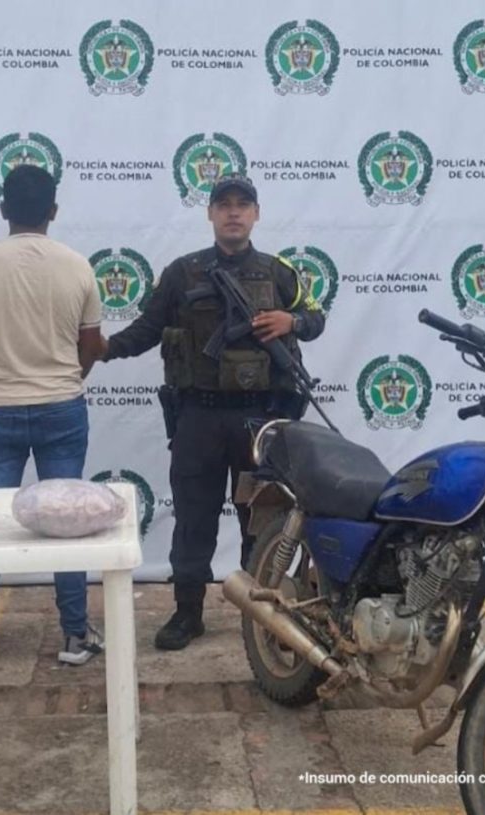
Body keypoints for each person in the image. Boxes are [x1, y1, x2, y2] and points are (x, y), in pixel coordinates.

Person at [101, 173, 325, 650]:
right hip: (199, 417)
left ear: (256, 214)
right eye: (224, 204)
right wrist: (102, 349)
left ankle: (261, 613)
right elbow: (146, 328)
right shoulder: (183, 272)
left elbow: (316, 319)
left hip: (258, 420)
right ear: (210, 214)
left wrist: (293, 320)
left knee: (260, 520)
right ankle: (188, 614)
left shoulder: (279, 272)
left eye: (243, 204)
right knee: (194, 517)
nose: (233, 213)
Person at [0, 164, 107, 666]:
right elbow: (90, 347)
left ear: (3, 210)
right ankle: (76, 634)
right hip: (62, 404)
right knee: (67, 522)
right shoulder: (77, 266)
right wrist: (63, 380)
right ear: (54, 211)